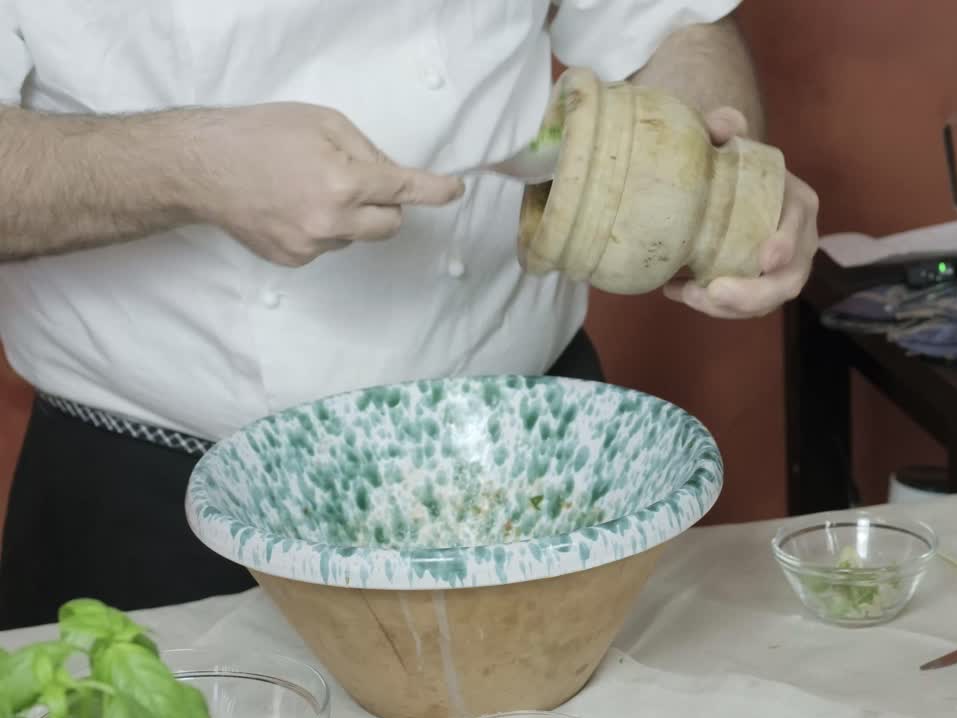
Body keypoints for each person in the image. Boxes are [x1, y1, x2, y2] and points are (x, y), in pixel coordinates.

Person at [0, 0, 820, 630]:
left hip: (536, 466)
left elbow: (674, 26)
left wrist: (706, 173)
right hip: (156, 499)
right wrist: (196, 167)